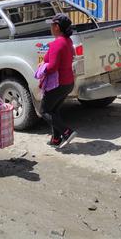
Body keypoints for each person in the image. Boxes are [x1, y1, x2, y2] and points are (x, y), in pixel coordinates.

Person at [43, 14, 77, 149]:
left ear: (57, 27)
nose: (51, 28)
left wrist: (41, 70)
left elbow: (52, 67)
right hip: (68, 83)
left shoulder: (57, 43)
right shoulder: (68, 41)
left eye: (52, 25)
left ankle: (67, 132)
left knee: (44, 111)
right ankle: (56, 139)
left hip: (58, 84)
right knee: (54, 110)